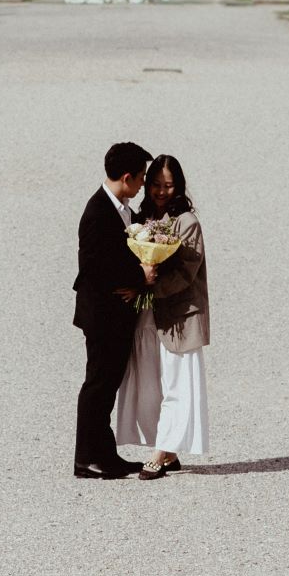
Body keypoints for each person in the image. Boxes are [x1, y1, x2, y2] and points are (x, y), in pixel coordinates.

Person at [115, 153, 209, 480]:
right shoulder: (143, 218)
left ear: (179, 186)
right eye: (155, 184)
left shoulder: (188, 223)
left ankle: (160, 452)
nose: (160, 191)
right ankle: (167, 449)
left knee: (177, 385)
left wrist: (148, 285)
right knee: (151, 384)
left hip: (180, 317)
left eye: (168, 185)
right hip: (150, 318)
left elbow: (185, 274)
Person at [73, 141, 154, 480]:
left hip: (116, 315)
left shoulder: (121, 208)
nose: (143, 185)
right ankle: (86, 459)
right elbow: (94, 267)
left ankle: (105, 455)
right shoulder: (96, 212)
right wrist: (141, 277)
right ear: (126, 176)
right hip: (102, 315)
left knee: (107, 383)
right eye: (141, 178)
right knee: (98, 383)